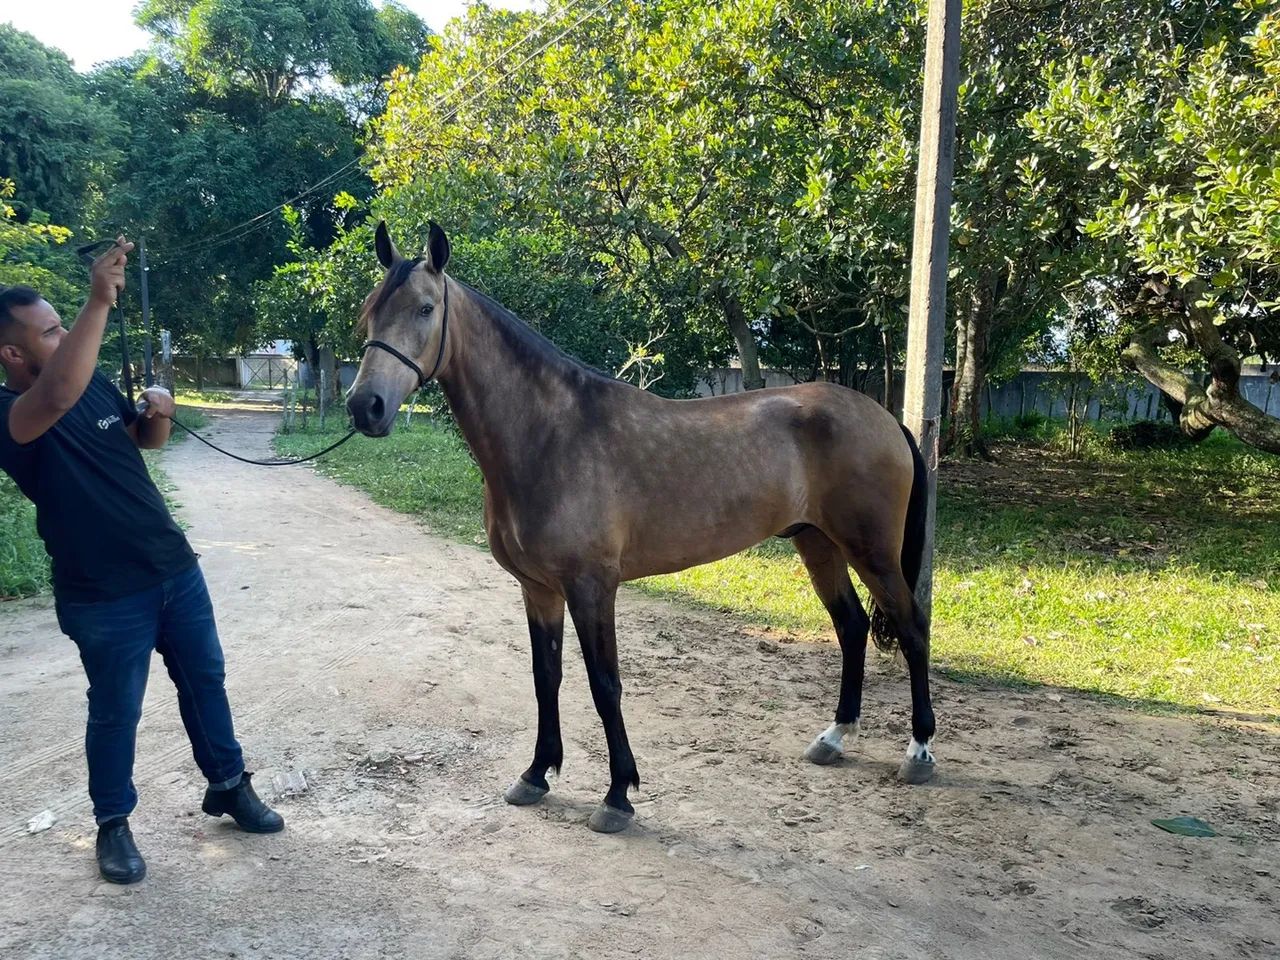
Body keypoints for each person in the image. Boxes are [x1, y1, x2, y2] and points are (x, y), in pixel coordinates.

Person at [0, 239, 283, 884]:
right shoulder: (10, 411)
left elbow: (138, 443)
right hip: (102, 592)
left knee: (205, 681)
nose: (65, 332)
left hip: (172, 568)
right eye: (50, 329)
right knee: (116, 709)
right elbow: (55, 401)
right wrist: (100, 297)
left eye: (64, 322)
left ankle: (228, 786)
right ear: (12, 354)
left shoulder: (92, 381)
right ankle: (113, 824)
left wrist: (161, 416)